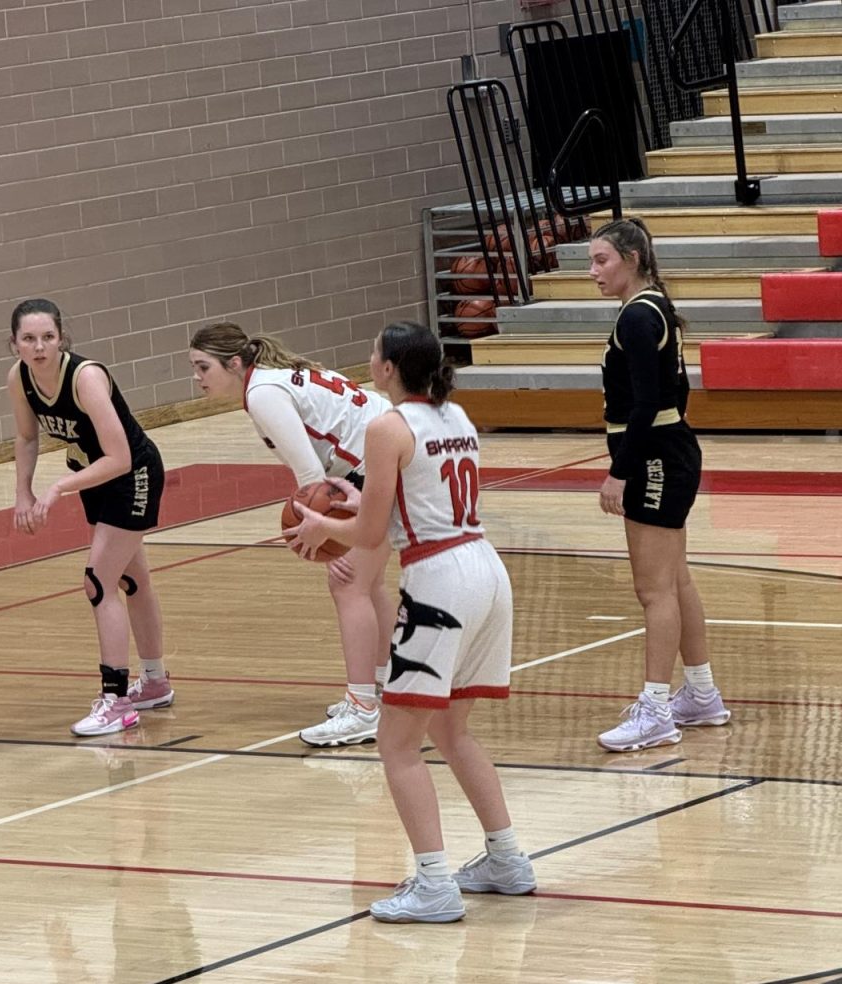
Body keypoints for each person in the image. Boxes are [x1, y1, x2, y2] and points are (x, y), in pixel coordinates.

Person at [286, 321, 535, 923]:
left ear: (389, 367)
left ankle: (433, 884)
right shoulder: (457, 417)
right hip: (485, 568)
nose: (368, 360)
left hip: (440, 580)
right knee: (452, 731)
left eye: (373, 353)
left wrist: (324, 528)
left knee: (396, 743)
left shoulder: (384, 426)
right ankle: (505, 858)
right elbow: (403, 503)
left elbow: (370, 534)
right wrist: (354, 507)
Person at [189, 323, 397, 746]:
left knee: (348, 584)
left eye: (203, 367)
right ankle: (386, 688)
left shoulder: (263, 393)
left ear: (233, 364)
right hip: (386, 456)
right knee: (368, 583)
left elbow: (311, 476)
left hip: (379, 465)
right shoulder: (270, 379)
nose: (197, 377)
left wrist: (324, 530)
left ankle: (362, 709)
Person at [588, 219, 731, 752]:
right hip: (668, 454)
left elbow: (650, 401)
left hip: (653, 460)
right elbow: (679, 389)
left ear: (631, 257)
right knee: (676, 582)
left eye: (602, 260)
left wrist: (619, 471)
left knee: (653, 590)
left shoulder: (639, 319)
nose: (594, 272)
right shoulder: (652, 308)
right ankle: (700, 693)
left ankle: (654, 711)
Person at [8, 298, 171, 737]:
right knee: (130, 581)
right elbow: (26, 437)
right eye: (29, 339)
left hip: (131, 474)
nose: (39, 347)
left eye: (47, 337)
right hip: (93, 478)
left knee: (98, 582)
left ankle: (116, 700)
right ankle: (154, 682)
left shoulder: (86, 378)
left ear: (62, 338)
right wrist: (22, 492)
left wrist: (58, 488)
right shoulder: (19, 378)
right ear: (14, 344)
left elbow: (119, 456)